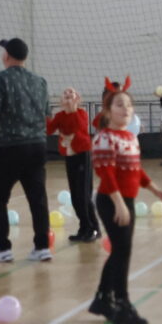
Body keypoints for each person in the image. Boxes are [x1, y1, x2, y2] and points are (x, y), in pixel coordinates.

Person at [88, 86, 162, 324]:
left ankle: (103, 298)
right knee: (122, 252)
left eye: (129, 105)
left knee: (120, 251)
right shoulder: (105, 138)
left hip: (126, 200)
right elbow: (106, 173)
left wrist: (154, 189)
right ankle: (122, 303)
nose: (125, 109)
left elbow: (135, 170)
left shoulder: (130, 137)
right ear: (108, 111)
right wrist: (119, 204)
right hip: (111, 201)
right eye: (119, 105)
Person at [0, 38, 52, 262]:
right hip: (38, 146)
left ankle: (2, 248)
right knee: (38, 198)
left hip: (10, 147)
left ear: (6, 55)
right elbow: (47, 112)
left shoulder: (0, 78)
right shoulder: (40, 81)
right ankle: (42, 247)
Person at [47, 86, 98, 241]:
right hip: (70, 157)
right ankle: (85, 227)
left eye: (72, 93)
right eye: (65, 93)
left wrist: (72, 109)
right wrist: (44, 114)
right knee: (75, 196)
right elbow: (49, 130)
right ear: (61, 101)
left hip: (83, 155)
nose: (68, 94)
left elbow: (78, 127)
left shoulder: (81, 113)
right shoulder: (59, 116)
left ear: (78, 99)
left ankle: (92, 229)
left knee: (83, 195)